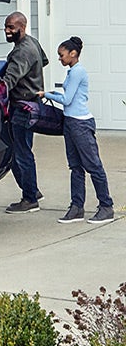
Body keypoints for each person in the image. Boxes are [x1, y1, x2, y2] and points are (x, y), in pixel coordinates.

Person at [38, 37, 115, 224]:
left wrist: (46, 95)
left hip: (81, 124)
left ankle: (106, 206)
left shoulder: (78, 72)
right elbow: (68, 97)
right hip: (70, 122)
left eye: (61, 55)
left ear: (73, 54)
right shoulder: (72, 71)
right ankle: (77, 207)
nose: (59, 58)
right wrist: (51, 94)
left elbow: (67, 100)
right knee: (75, 167)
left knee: (93, 166)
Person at [2, 11, 49, 213]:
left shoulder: (22, 52)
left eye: (11, 27)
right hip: (32, 103)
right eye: (6, 27)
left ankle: (29, 199)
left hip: (23, 108)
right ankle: (33, 191)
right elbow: (43, 61)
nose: (7, 31)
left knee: (20, 154)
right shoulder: (33, 43)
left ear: (22, 27)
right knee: (21, 150)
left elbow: (8, 81)